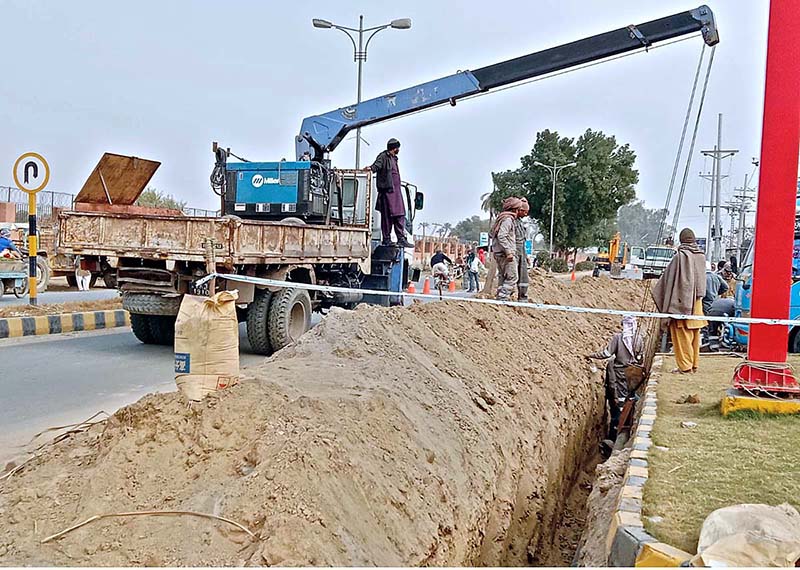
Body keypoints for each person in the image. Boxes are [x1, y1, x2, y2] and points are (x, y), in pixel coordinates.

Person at [652, 228, 707, 374]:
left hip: (681, 302)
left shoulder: (680, 256)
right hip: (697, 304)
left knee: (681, 334)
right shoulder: (701, 256)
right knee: (694, 335)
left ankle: (685, 366)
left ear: (682, 239)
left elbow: (668, 281)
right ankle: (694, 364)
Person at [587, 316, 644, 443]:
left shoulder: (618, 338)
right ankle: (629, 422)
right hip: (634, 374)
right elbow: (641, 358)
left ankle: (616, 433)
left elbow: (607, 354)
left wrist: (591, 355)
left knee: (620, 405)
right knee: (632, 398)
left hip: (620, 374)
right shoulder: (638, 338)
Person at [365, 138, 412, 248]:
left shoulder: (394, 159)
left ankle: (401, 238)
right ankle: (386, 239)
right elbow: (376, 166)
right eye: (397, 148)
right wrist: (370, 169)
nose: (398, 150)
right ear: (394, 148)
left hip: (396, 192)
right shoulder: (383, 156)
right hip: (387, 192)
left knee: (400, 215)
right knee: (387, 217)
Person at [490, 197, 523, 300]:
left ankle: (500, 297)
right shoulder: (508, 220)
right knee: (513, 277)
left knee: (503, 277)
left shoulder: (501, 218)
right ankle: (502, 298)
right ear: (515, 209)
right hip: (505, 254)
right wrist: (508, 251)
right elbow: (501, 236)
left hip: (499, 253)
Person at [515, 198, 530, 301]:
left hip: (522, 252)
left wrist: (526, 256)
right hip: (514, 251)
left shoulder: (520, 222)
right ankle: (505, 298)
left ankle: (523, 297)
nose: (526, 214)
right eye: (524, 212)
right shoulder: (511, 221)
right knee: (512, 275)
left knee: (524, 276)